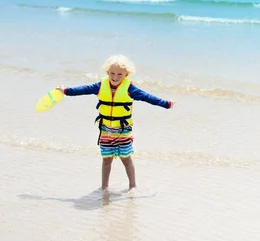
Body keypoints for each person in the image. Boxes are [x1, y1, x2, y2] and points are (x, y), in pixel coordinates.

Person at [57, 54, 173, 192]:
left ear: (126, 74)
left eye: (119, 74)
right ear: (107, 72)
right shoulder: (100, 86)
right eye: (112, 73)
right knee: (106, 159)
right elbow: (83, 89)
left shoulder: (130, 89)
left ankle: (132, 185)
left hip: (123, 130)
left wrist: (166, 104)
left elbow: (148, 97)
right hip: (106, 129)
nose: (115, 77)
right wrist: (66, 91)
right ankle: (104, 187)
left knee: (125, 157)